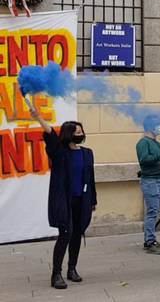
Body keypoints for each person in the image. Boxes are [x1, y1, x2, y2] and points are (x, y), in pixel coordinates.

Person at [30, 103, 97, 290]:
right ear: (69, 133)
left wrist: (93, 200)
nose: (81, 133)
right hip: (64, 201)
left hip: (82, 201)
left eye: (82, 130)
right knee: (65, 235)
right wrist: (39, 118)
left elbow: (90, 178)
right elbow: (51, 136)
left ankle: (72, 269)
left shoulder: (87, 153)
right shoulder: (60, 153)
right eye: (77, 131)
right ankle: (56, 274)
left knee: (77, 234)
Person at [136, 115, 160, 255]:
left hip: (159, 179)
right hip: (150, 181)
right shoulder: (143, 143)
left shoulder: (156, 143)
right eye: (157, 124)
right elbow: (144, 160)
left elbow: (155, 161)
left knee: (154, 211)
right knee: (151, 212)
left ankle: (152, 239)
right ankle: (149, 242)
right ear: (150, 127)